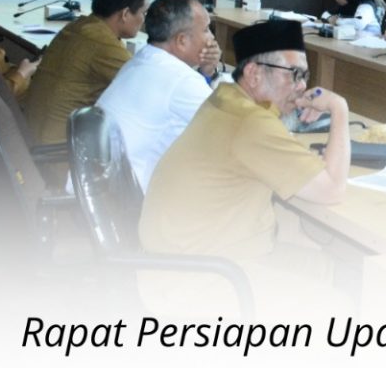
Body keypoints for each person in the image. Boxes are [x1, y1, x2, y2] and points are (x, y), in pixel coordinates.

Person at [139, 18, 358, 270]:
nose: (302, 86)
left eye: (305, 76)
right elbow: (332, 190)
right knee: (331, 270)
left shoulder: (227, 99)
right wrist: (339, 108)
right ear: (254, 74)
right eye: (294, 74)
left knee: (310, 251)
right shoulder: (251, 122)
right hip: (204, 275)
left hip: (184, 259)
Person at [95, 0, 219, 190]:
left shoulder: (140, 60)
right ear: (181, 40)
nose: (212, 38)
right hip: (131, 199)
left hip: (102, 190)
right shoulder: (182, 80)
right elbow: (230, 128)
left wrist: (207, 73)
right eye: (206, 30)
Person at [23, 0, 153, 145]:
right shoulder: (103, 43)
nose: (144, 20)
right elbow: (145, 91)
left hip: (34, 137)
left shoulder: (79, 26)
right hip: (61, 150)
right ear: (125, 14)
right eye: (143, 13)